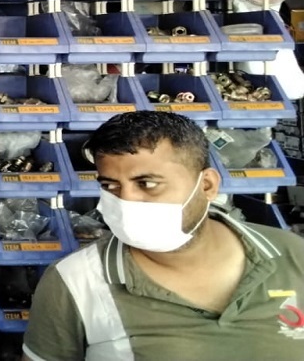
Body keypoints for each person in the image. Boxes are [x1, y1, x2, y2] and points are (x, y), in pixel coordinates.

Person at [23, 111, 304, 360]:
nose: (126, 200)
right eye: (110, 186)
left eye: (147, 183)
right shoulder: (74, 281)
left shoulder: (294, 255)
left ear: (206, 186)